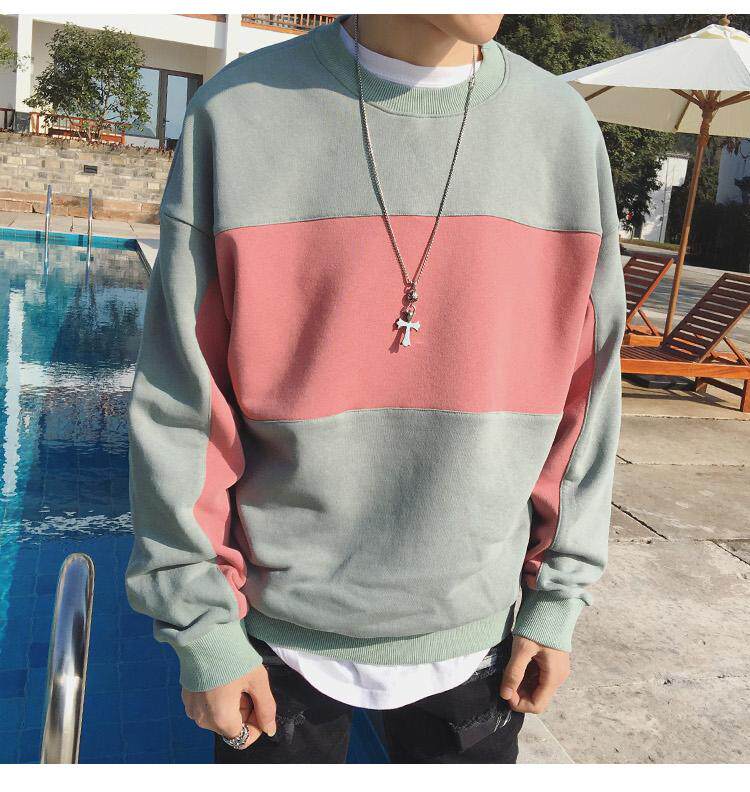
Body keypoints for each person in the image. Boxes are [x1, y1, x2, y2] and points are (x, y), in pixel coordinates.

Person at [126, 13, 625, 764]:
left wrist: (557, 599)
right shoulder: (238, 114)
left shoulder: (561, 131)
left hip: (481, 644)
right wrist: (202, 626)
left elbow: (587, 396)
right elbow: (183, 404)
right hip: (274, 647)